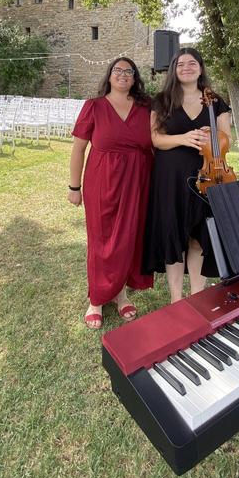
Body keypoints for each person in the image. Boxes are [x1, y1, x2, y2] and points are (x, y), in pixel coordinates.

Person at [68, 57, 154, 329]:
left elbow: (159, 140)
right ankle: (96, 299)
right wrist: (74, 187)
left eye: (129, 71)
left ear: (135, 78)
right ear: (109, 75)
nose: (123, 74)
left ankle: (121, 294)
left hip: (137, 183)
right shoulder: (94, 106)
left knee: (128, 239)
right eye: (118, 70)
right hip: (102, 182)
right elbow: (78, 149)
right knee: (101, 240)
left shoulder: (146, 108)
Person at [143, 47, 231, 303]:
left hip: (207, 175)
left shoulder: (215, 101)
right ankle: (176, 300)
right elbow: (155, 139)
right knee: (174, 236)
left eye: (192, 63)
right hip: (170, 177)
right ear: (174, 70)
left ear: (200, 68)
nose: (186, 68)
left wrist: (212, 137)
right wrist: (182, 138)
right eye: (180, 64)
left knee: (199, 238)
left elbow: (227, 139)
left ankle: (196, 297)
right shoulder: (162, 100)